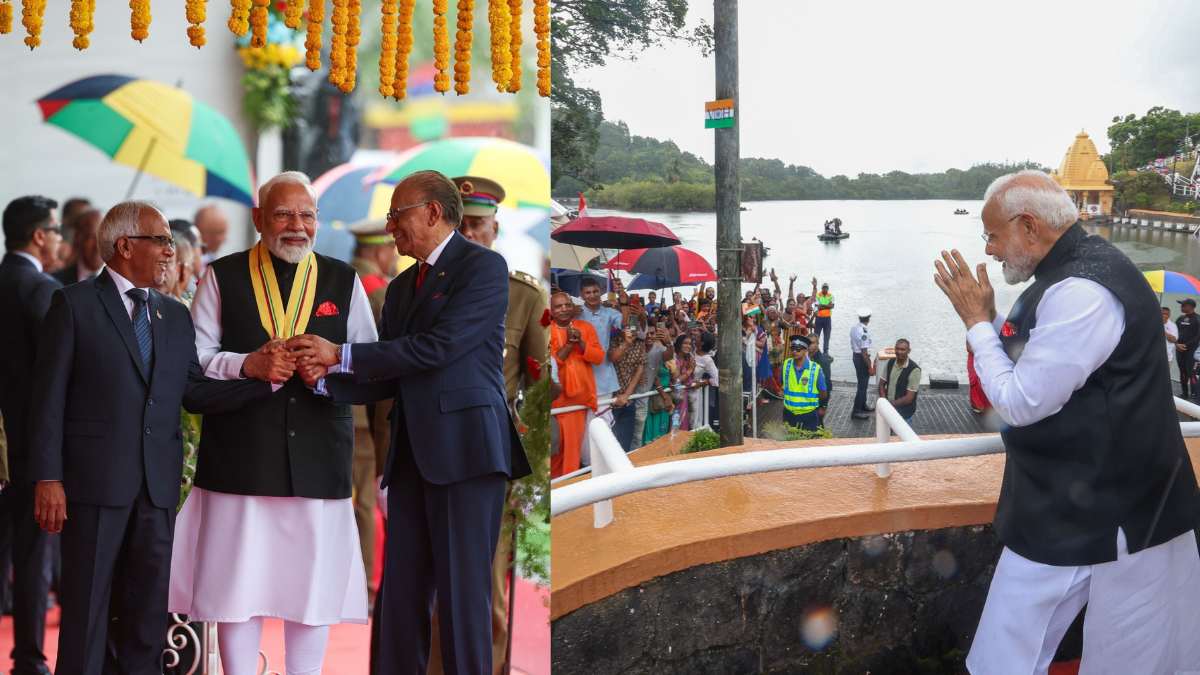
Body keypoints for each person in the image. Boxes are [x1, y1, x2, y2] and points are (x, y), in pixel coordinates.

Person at [933, 169, 1200, 672]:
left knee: (1053, 654)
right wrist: (989, 322)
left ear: (1029, 227)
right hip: (1088, 501)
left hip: (1108, 513)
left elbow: (1021, 400)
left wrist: (975, 325)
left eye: (992, 235)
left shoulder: (1081, 290)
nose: (989, 250)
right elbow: (1047, 369)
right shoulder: (1078, 274)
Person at [288, 170, 532, 674]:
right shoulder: (401, 287)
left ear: (432, 213)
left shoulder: (482, 268)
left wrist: (343, 352)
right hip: (411, 458)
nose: (390, 227)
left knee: (465, 600)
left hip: (466, 454)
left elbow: (439, 349)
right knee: (400, 597)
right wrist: (322, 379)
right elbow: (390, 375)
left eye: (397, 215)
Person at [29, 201, 269, 675]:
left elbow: (194, 393)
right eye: (160, 240)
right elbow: (47, 401)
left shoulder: (172, 315)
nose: (171, 252)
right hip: (93, 486)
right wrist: (47, 479)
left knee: (146, 616)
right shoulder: (73, 304)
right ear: (124, 246)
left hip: (156, 491)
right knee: (87, 614)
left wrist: (263, 382)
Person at [169, 172, 379, 675]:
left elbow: (371, 363)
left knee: (312, 591)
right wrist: (248, 364)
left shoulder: (342, 279)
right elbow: (194, 361)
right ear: (260, 219)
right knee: (235, 589)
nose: (296, 226)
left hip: (318, 457)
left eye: (306, 215)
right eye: (284, 214)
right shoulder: (222, 275)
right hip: (240, 457)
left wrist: (330, 366)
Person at [451, 174, 548, 674]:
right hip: (433, 453)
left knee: (489, 589)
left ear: (496, 227)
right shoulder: (417, 291)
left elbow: (540, 388)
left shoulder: (524, 297)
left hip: (493, 457)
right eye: (461, 225)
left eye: (479, 225)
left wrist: (532, 466)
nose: (470, 235)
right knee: (432, 587)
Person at [0, 195, 62, 675]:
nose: (59, 239)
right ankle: (28, 658)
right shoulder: (39, 289)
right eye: (56, 230)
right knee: (33, 555)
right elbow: (56, 372)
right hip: (27, 448)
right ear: (39, 235)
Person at [548, 291, 603, 477]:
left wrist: (580, 342)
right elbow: (551, 363)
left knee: (571, 454)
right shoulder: (546, 330)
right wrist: (570, 345)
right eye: (558, 306)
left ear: (572, 307)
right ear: (552, 311)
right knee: (554, 454)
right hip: (555, 403)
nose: (563, 309)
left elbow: (598, 357)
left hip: (578, 404)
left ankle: (567, 494)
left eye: (567, 305)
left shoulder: (585, 328)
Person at [633, 322, 674, 449]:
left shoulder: (659, 349)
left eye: (652, 333)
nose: (649, 336)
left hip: (643, 399)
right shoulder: (634, 347)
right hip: (628, 397)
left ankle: (635, 462)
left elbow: (669, 356)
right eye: (646, 333)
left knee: (638, 434)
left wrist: (669, 343)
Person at [608, 323, 646, 451]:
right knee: (609, 445)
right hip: (608, 402)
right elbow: (611, 359)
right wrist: (626, 343)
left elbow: (639, 370)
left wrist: (626, 395)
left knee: (625, 445)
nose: (633, 328)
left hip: (628, 401)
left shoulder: (640, 344)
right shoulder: (612, 340)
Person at [781, 335, 828, 431]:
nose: (794, 351)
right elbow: (782, 382)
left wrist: (821, 406)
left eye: (798, 349)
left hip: (808, 416)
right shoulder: (786, 365)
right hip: (789, 415)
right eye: (792, 348)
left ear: (805, 350)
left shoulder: (816, 369)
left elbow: (823, 393)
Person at [51, 208, 103, 286]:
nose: (98, 246)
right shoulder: (54, 282)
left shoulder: (124, 284)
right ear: (77, 237)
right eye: (91, 237)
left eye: (105, 238)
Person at [878, 338, 921, 425]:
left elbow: (909, 398)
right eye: (897, 349)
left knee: (902, 437)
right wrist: (884, 402)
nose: (899, 352)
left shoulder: (914, 370)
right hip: (888, 410)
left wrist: (889, 405)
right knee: (887, 436)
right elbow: (881, 384)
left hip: (904, 413)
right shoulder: (890, 362)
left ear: (909, 351)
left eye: (902, 349)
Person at [849, 308, 875, 419]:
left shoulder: (854, 328)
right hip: (862, 358)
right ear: (869, 318)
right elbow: (864, 353)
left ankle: (863, 405)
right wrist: (870, 367)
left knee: (862, 384)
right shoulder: (864, 332)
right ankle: (856, 411)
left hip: (856, 356)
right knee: (862, 386)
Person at [807, 333, 833, 427]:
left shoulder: (823, 361)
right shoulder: (805, 359)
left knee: (818, 426)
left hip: (818, 400)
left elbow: (827, 385)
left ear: (817, 344)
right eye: (808, 343)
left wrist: (823, 406)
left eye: (812, 343)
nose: (810, 345)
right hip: (807, 401)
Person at [1174, 298, 1199, 399]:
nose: (1181, 307)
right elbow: (1174, 332)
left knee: (1192, 373)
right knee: (1183, 372)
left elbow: (1198, 336)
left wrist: (1186, 345)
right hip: (1179, 351)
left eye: (1183, 305)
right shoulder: (1180, 318)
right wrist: (1176, 344)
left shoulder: (1198, 319)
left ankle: (1195, 396)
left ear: (1190, 306)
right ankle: (1184, 394)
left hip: (1192, 352)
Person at [194, 203, 229, 269]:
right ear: (201, 232)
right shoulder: (187, 266)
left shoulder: (214, 261)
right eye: (219, 232)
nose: (225, 239)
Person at [813, 281, 834, 353]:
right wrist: (827, 306)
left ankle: (826, 351)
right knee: (816, 335)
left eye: (826, 288)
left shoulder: (830, 295)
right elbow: (817, 306)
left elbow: (832, 306)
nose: (825, 289)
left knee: (827, 335)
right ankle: (816, 350)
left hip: (827, 318)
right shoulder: (818, 295)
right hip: (819, 318)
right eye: (824, 288)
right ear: (822, 288)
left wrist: (822, 306)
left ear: (828, 289)